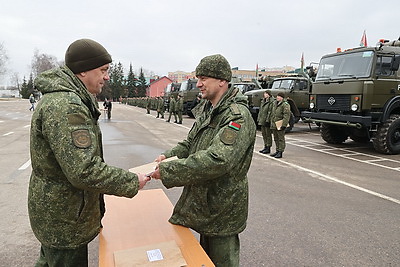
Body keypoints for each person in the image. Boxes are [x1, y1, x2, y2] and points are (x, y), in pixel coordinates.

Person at [28, 38, 150, 266]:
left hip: (59, 213)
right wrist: (131, 181)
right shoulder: (67, 106)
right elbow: (83, 170)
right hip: (65, 217)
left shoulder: (65, 99)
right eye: (103, 70)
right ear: (83, 71)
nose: (106, 77)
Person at [151, 54, 256, 267]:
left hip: (223, 206)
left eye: (204, 78)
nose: (198, 84)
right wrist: (168, 155)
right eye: (198, 78)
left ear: (222, 81)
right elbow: (189, 144)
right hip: (206, 204)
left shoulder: (236, 117)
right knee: (204, 261)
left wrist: (171, 170)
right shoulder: (209, 110)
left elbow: (218, 159)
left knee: (222, 260)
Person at [270, 92, 291, 158]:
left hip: (280, 124)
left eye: (279, 96)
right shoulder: (275, 103)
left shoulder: (285, 105)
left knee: (280, 138)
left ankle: (280, 151)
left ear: (282, 98)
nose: (277, 97)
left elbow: (286, 115)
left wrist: (284, 125)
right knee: (276, 138)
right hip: (274, 123)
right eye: (277, 96)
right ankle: (277, 150)